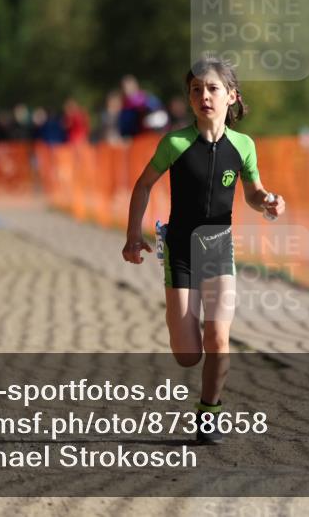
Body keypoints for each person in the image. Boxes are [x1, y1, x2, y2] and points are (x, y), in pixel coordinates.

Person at [121, 55, 285, 444]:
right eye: (196, 89)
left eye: (212, 89)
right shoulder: (176, 142)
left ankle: (209, 413)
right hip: (179, 249)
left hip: (218, 249)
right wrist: (132, 235)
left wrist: (269, 201)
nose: (203, 96)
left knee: (218, 337)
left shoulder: (243, 145)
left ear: (231, 97)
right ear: (190, 98)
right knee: (187, 354)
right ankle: (184, 323)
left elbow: (252, 193)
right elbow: (143, 185)